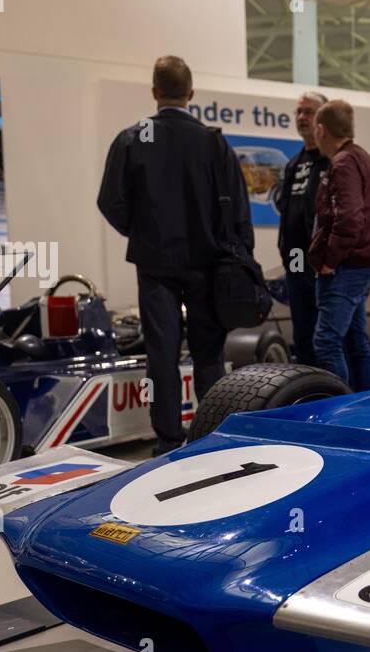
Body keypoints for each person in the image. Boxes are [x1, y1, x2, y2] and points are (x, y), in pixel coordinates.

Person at [97, 55, 255, 455]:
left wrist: (141, 233)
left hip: (155, 265)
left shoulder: (133, 139)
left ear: (154, 92)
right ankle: (213, 436)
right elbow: (238, 208)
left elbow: (110, 201)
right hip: (209, 265)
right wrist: (243, 258)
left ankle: (167, 439)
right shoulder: (214, 143)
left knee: (161, 354)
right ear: (192, 93)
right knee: (208, 354)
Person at [307, 99, 370, 391]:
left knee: (326, 342)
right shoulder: (363, 158)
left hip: (345, 268)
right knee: (356, 341)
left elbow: (349, 218)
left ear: (321, 130)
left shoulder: (343, 163)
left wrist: (330, 260)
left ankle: (339, 408)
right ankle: (363, 404)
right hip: (361, 266)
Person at [275, 92, 329, 365]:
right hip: (295, 262)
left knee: (328, 338)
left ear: (323, 117)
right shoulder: (293, 164)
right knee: (303, 334)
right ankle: (310, 387)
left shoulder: (333, 161)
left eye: (308, 112)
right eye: (298, 112)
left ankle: (335, 388)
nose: (301, 117)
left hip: (323, 264)